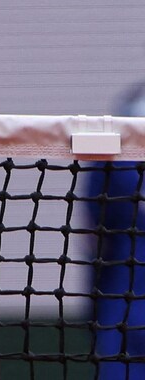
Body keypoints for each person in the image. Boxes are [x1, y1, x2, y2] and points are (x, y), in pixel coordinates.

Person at [84, 82, 145, 380]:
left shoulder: (110, 155)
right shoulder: (109, 156)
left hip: (121, 308)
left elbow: (94, 235)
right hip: (122, 310)